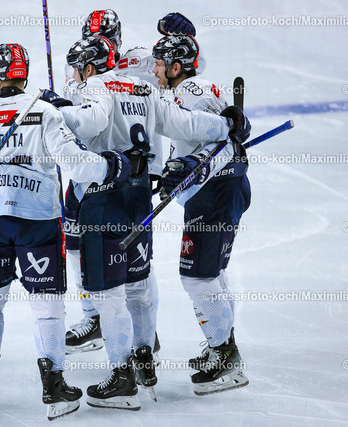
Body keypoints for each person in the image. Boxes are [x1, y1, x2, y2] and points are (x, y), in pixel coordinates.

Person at [0, 43, 130, 420]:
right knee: (47, 308)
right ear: (23, 75)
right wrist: (110, 167)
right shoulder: (45, 111)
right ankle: (54, 385)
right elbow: (75, 164)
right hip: (38, 224)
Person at [40, 35, 249, 409]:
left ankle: (122, 379)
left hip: (103, 197)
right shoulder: (143, 88)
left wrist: (52, 112)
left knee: (107, 293)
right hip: (138, 197)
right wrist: (225, 125)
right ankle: (144, 358)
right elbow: (184, 123)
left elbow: (90, 121)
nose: (74, 76)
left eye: (77, 69)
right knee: (138, 283)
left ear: (90, 68)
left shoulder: (97, 86)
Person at [152, 34, 251, 395]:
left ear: (176, 66)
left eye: (160, 63)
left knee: (197, 277)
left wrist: (192, 165)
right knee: (212, 274)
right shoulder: (190, 89)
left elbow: (221, 143)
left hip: (216, 195)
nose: (155, 70)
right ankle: (221, 346)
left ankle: (226, 358)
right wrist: (176, 170)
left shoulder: (191, 92)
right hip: (218, 192)